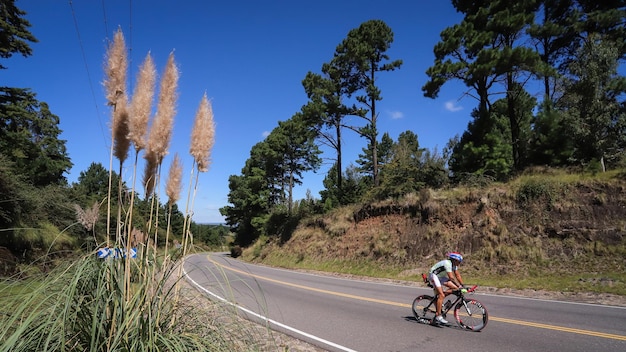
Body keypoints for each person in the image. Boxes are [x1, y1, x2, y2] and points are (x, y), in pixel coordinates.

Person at [428, 252, 466, 324]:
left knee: (456, 289)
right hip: (433, 276)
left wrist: (463, 285)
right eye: (459, 261)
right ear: (454, 260)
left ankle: (440, 299)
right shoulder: (447, 263)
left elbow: (457, 275)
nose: (460, 263)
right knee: (441, 295)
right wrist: (459, 286)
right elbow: (451, 278)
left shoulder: (454, 265)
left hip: (441, 277)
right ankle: (438, 316)